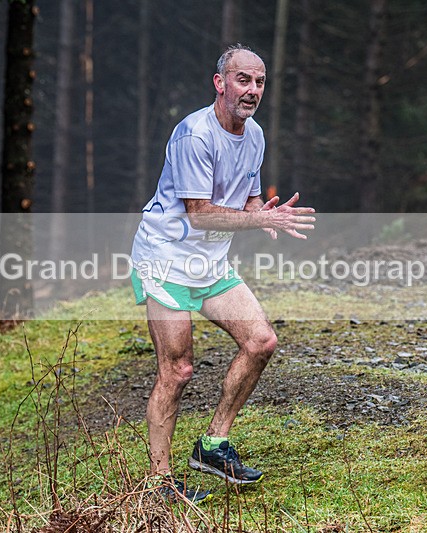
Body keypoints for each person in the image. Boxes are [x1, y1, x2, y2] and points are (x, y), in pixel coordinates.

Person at [130, 44, 315, 503]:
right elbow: (199, 213)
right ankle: (159, 485)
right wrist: (258, 220)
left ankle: (212, 446)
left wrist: (263, 211)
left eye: (259, 82)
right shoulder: (194, 135)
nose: (252, 90)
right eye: (243, 80)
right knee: (177, 369)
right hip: (165, 258)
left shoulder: (254, 136)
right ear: (220, 83)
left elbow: (246, 199)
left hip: (209, 263)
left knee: (261, 341)